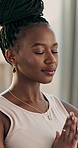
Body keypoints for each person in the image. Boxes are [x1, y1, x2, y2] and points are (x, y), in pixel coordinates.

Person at [0, 0, 78, 148]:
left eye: (54, 51)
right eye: (39, 52)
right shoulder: (4, 115)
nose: (51, 59)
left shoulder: (67, 112)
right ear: (11, 56)